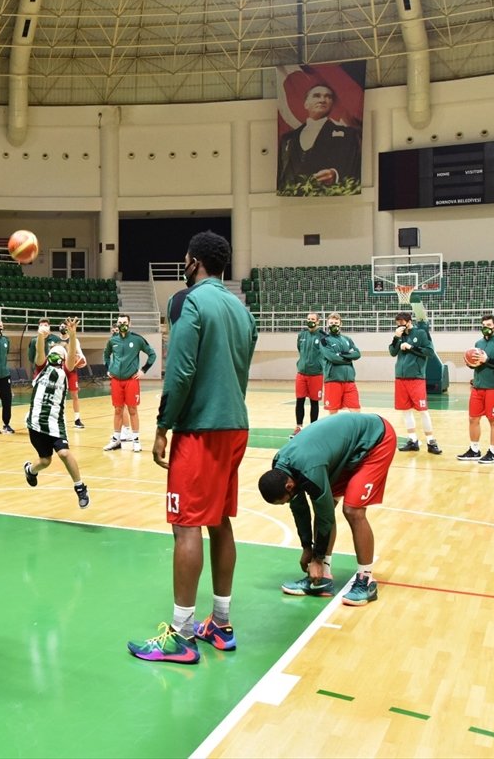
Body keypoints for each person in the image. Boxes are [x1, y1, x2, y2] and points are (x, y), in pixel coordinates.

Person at [128, 231, 256, 665]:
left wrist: (164, 425)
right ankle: (220, 622)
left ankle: (180, 636)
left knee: (186, 526)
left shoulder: (187, 301)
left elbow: (179, 371)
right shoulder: (241, 309)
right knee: (220, 521)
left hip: (200, 429)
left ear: (194, 261)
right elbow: (239, 372)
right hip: (235, 424)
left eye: (186, 257)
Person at [259, 412, 397, 607]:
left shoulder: (309, 471)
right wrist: (307, 547)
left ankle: (366, 580)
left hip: (375, 440)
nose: (287, 503)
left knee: (353, 511)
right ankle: (322, 577)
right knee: (326, 504)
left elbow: (325, 517)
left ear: (289, 487)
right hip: (344, 451)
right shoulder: (280, 467)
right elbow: (299, 509)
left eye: (284, 501)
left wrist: (317, 557)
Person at [22, 318, 89, 508]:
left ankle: (80, 487)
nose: (55, 355)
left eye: (59, 353)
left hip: (54, 422)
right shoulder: (41, 367)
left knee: (65, 453)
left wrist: (73, 334)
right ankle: (30, 470)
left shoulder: (66, 371)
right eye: (53, 353)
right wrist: (41, 335)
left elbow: (70, 357)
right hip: (35, 422)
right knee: (45, 460)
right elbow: (39, 353)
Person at [277, 83, 362, 193]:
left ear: (332, 104)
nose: (322, 100)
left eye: (328, 97)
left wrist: (335, 174)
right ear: (306, 104)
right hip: (292, 199)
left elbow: (354, 164)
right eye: (317, 96)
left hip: (330, 196)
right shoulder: (288, 138)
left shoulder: (348, 134)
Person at [457, 314, 494, 465]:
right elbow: (476, 363)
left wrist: (487, 360)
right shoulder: (478, 343)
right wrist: (471, 363)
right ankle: (474, 450)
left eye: (488, 326)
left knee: (493, 420)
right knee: (473, 419)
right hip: (478, 387)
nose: (485, 328)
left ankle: (493, 452)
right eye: (483, 325)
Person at [389, 311, 441, 454]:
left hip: (416, 378)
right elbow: (392, 352)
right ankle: (413, 440)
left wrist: (411, 348)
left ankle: (431, 441)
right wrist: (396, 337)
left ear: (409, 321)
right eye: (397, 323)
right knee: (406, 411)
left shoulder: (421, 333)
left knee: (423, 411)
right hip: (400, 378)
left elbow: (430, 352)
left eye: (401, 322)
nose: (399, 325)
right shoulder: (399, 336)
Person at [103, 315, 156, 451]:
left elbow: (152, 354)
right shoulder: (112, 340)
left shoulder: (137, 339)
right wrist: (108, 368)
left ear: (130, 323)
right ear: (117, 324)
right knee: (118, 409)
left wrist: (143, 370)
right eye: (120, 322)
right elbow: (106, 355)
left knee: (132, 409)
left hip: (131, 380)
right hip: (116, 380)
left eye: (125, 322)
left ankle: (136, 440)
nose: (122, 324)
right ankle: (116, 439)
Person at [318, 312, 361, 414]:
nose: (334, 325)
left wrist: (341, 354)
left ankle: (355, 430)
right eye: (331, 322)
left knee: (356, 410)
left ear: (340, 324)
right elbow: (332, 357)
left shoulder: (347, 339)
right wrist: (349, 358)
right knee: (333, 412)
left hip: (349, 380)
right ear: (328, 324)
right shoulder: (324, 340)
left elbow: (357, 354)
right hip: (333, 380)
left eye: (336, 322)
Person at [294, 313, 323, 435]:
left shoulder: (322, 336)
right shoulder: (302, 335)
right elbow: (299, 349)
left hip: (316, 374)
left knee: (314, 402)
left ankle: (313, 428)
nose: (310, 321)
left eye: (313, 319)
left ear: (318, 322)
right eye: (308, 319)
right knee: (299, 400)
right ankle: (299, 427)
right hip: (301, 374)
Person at [58, 320, 88, 429]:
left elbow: (81, 355)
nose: (62, 327)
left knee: (74, 395)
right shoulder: (55, 340)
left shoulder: (74, 340)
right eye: (61, 326)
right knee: (59, 395)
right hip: (60, 370)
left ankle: (77, 419)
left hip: (71, 370)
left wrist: (80, 360)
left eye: (64, 326)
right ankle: (59, 418)